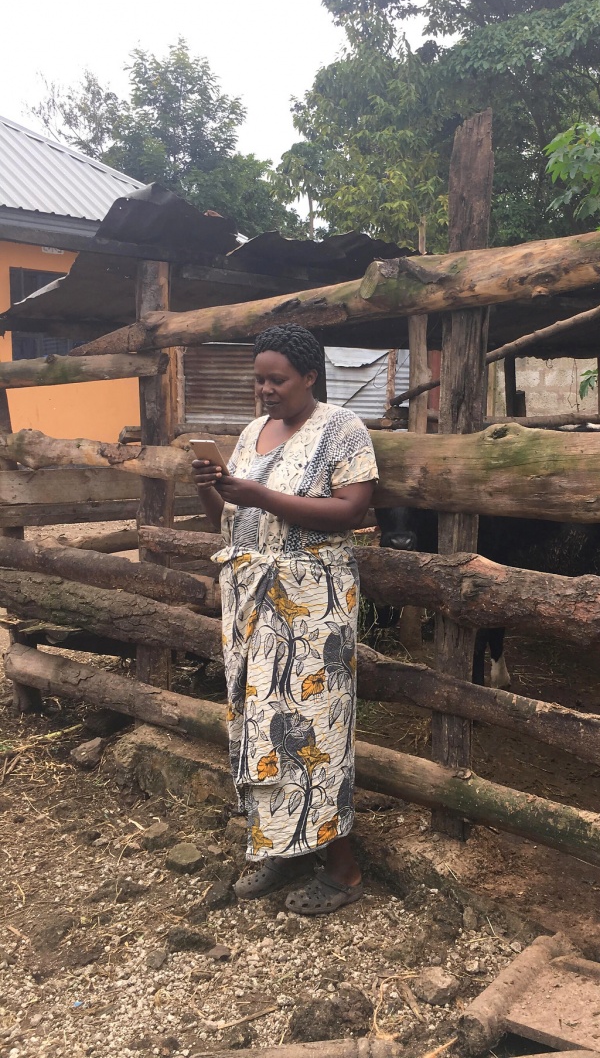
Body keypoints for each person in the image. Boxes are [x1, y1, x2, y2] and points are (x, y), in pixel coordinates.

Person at [191, 324, 377, 914]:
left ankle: (343, 869)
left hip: (313, 607)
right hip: (252, 602)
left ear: (310, 378)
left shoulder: (342, 429)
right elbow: (229, 520)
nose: (266, 390)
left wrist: (260, 496)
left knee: (315, 733)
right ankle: (281, 846)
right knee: (260, 726)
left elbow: (351, 509)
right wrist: (211, 490)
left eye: (278, 380)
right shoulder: (253, 433)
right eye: (259, 380)